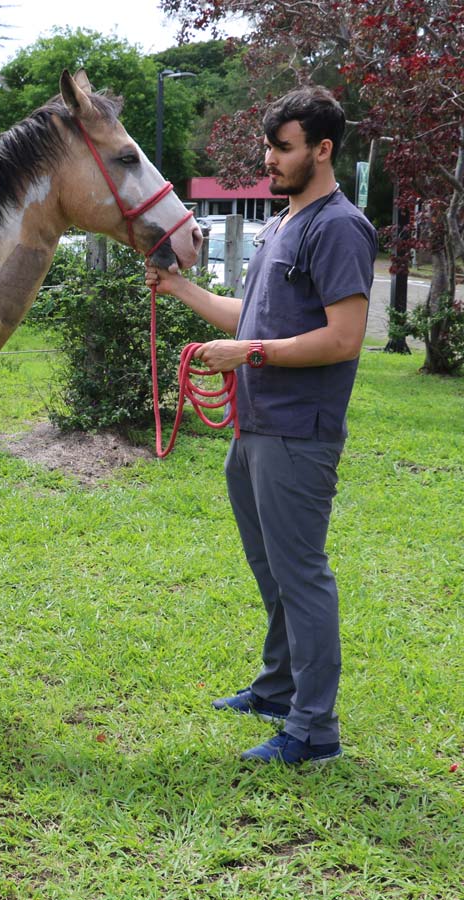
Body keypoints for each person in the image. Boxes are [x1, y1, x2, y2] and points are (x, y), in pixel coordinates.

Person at [146, 86, 377, 765]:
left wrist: (247, 353)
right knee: (271, 570)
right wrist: (182, 290)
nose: (269, 160)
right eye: (268, 147)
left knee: (301, 575)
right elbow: (252, 315)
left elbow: (344, 338)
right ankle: (278, 689)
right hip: (255, 429)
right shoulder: (283, 225)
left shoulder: (338, 226)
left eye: (283, 148)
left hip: (297, 433)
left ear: (323, 150)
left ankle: (314, 730)